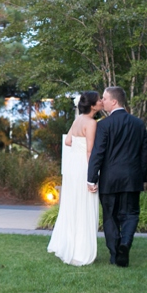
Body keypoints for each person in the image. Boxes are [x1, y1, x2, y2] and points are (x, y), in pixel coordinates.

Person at [86, 86, 147, 267]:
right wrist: (142, 177)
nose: (102, 102)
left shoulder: (104, 125)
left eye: (104, 98)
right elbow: (145, 153)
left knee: (110, 217)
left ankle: (115, 255)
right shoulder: (138, 124)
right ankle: (125, 244)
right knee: (130, 215)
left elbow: (98, 153)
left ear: (114, 101)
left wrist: (91, 178)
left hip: (110, 180)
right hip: (132, 179)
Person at [47, 91, 103, 266]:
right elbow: (90, 151)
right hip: (84, 167)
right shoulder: (91, 123)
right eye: (99, 99)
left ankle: (71, 247)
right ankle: (80, 251)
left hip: (73, 168)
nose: (102, 101)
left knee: (73, 206)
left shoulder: (77, 120)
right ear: (93, 105)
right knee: (84, 206)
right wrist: (92, 177)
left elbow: (68, 141)